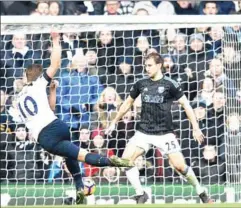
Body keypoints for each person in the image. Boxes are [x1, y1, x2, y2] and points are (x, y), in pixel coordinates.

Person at [15, 30, 133, 205]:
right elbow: (55, 67)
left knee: (81, 155)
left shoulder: (17, 103)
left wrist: (54, 40)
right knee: (69, 154)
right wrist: (56, 41)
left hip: (46, 137)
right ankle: (79, 187)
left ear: (25, 78)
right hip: (58, 126)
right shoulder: (39, 85)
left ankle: (114, 162)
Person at [106, 52, 213, 204]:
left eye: (149, 65)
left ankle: (201, 191)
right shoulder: (141, 83)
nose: (146, 68)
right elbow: (128, 103)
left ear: (159, 65)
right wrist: (114, 121)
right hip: (143, 132)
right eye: (145, 65)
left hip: (164, 133)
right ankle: (140, 193)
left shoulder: (171, 84)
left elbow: (186, 105)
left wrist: (195, 127)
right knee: (125, 161)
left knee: (180, 167)